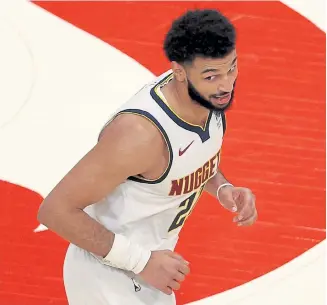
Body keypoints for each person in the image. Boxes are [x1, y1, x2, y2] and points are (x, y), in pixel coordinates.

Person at [37, 8, 257, 305]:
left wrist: (221, 187)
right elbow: (55, 210)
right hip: (108, 277)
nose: (226, 85)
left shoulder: (205, 98)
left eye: (232, 68)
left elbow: (191, 155)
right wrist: (141, 262)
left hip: (153, 269)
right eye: (212, 76)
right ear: (179, 72)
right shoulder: (139, 135)